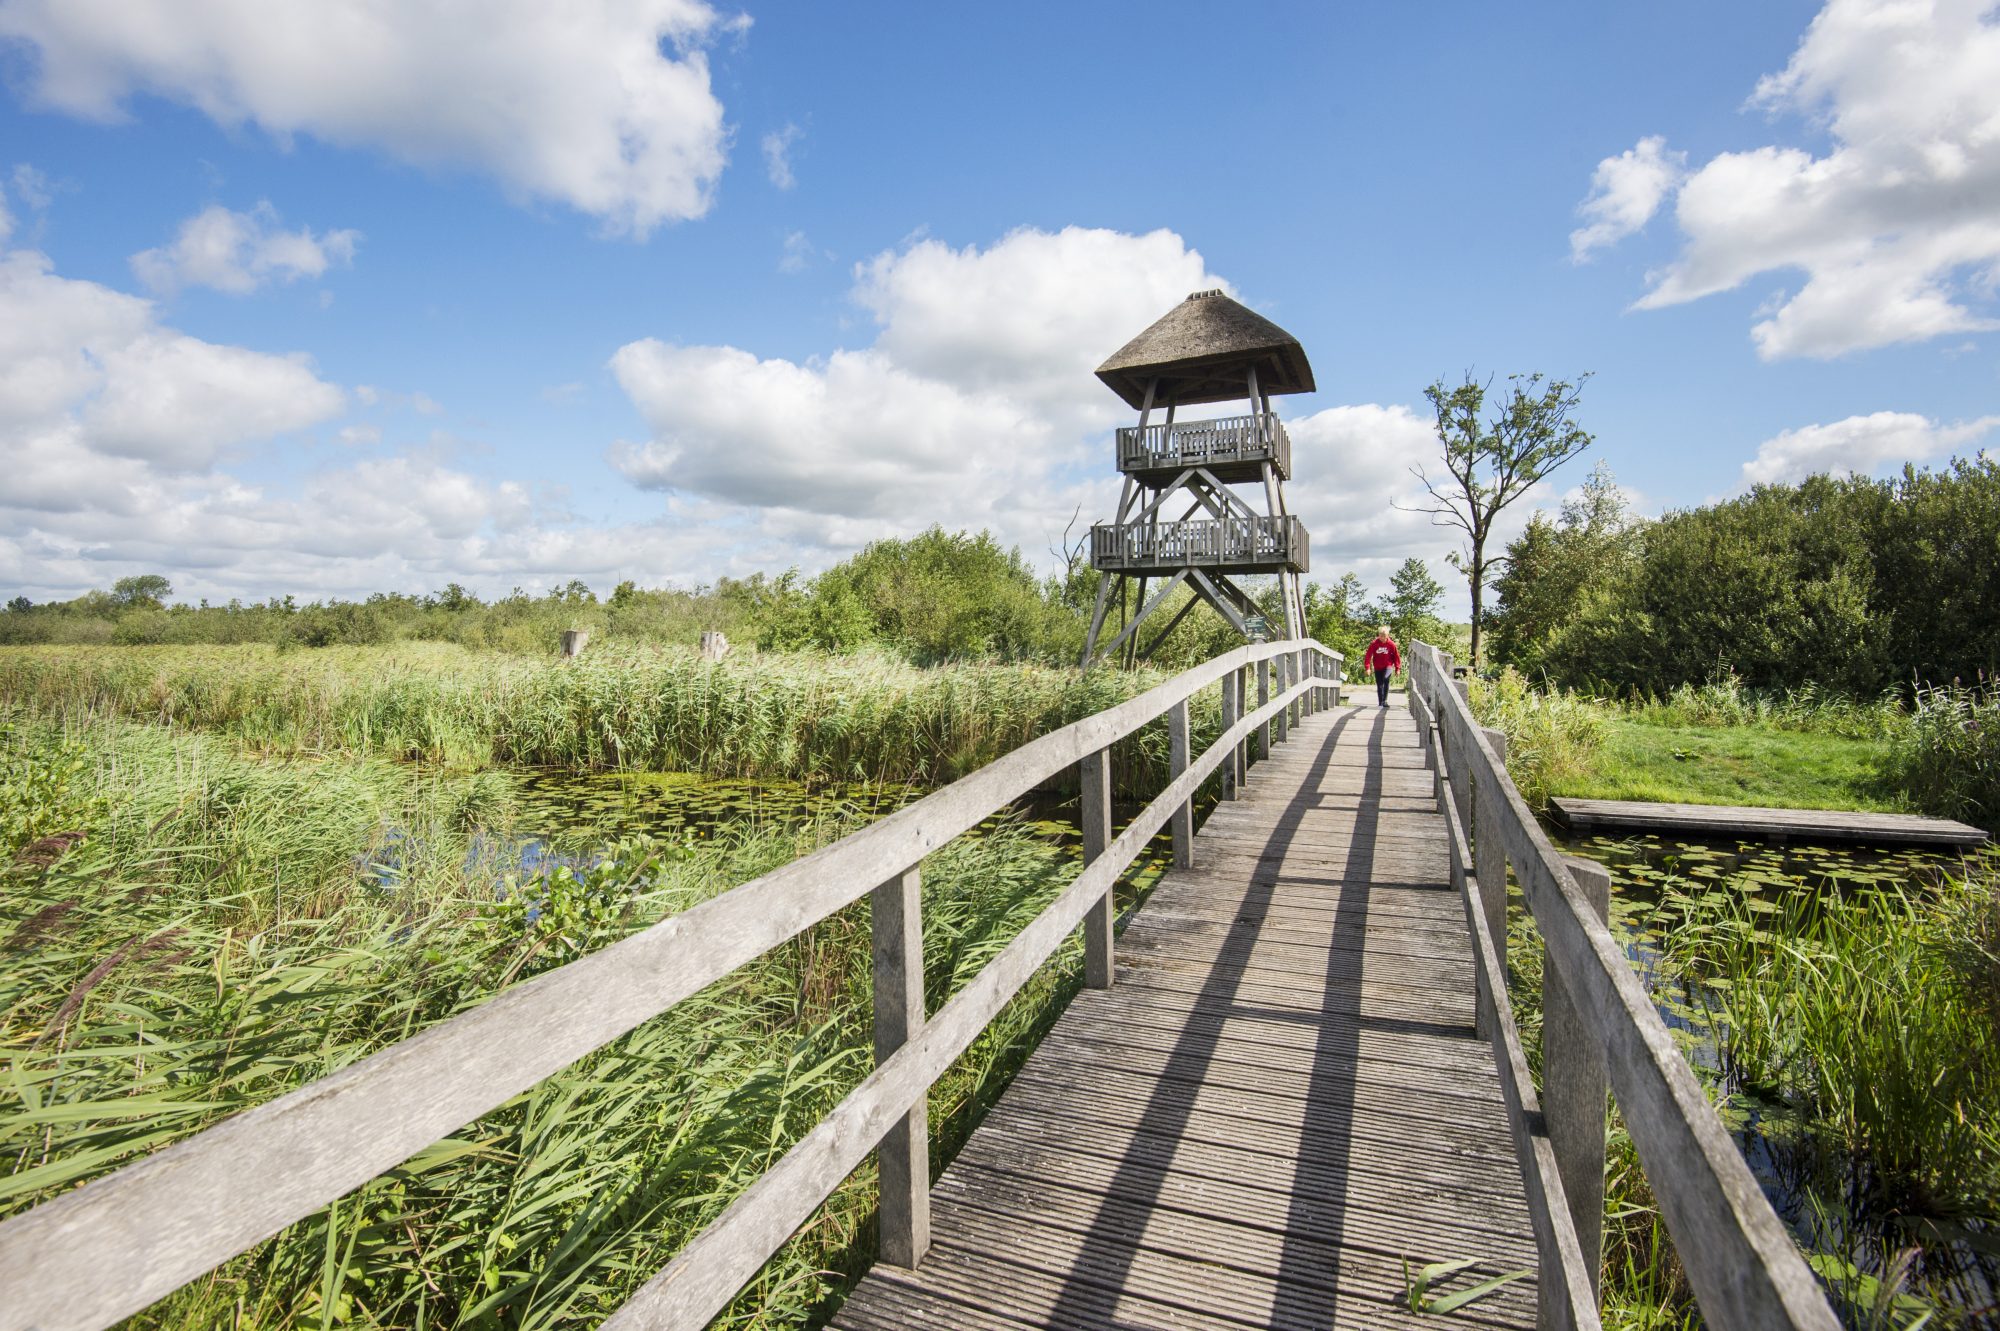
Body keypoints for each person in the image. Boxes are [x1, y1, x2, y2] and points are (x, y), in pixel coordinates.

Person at [1362, 626, 1400, 707]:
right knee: (1379, 685)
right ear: (1378, 635)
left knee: (1386, 679)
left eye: (1384, 636)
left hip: (1388, 666)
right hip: (1378, 666)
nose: (1382, 638)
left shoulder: (1391, 644)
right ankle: (1380, 702)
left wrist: (1397, 668)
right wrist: (1367, 668)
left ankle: (1385, 700)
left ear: (1387, 636)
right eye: (1380, 635)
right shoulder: (1374, 643)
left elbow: (1396, 657)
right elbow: (1368, 655)